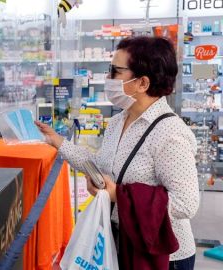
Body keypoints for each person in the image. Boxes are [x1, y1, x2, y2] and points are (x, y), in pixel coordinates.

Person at [37, 36, 199, 270]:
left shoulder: (170, 132)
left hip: (163, 256)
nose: (107, 78)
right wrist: (58, 142)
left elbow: (186, 204)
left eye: (115, 71)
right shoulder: (117, 121)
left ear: (142, 83)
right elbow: (101, 165)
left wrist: (118, 196)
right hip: (123, 244)